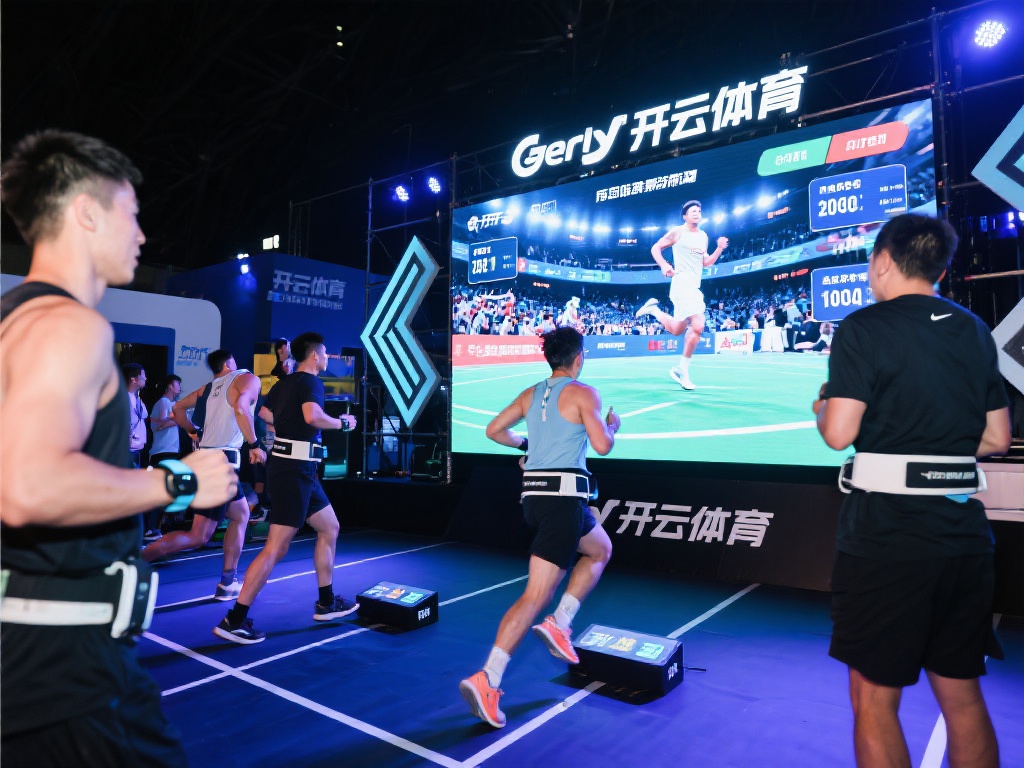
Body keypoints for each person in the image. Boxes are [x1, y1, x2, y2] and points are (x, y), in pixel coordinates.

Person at [0, 129, 237, 766]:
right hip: (63, 663)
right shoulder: (66, 324)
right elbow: (28, 486)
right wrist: (180, 481)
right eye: (131, 215)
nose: (141, 235)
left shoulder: (16, 320)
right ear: (85, 212)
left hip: (48, 652)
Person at [813, 214, 1010, 768]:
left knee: (874, 700)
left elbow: (839, 433)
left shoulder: (863, 327)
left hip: (886, 538)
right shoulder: (973, 329)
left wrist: (822, 407)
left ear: (882, 261)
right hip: (963, 537)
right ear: (940, 268)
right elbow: (997, 437)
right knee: (963, 697)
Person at [459, 327, 619, 729]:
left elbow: (493, 430)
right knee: (536, 595)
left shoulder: (530, 394)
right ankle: (488, 678)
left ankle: (561, 621)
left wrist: (526, 446)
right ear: (578, 358)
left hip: (537, 500)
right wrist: (613, 426)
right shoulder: (585, 393)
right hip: (563, 501)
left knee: (600, 549)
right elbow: (603, 446)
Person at [214, 331, 359, 644]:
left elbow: (265, 413)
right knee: (276, 547)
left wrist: (288, 424)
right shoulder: (311, 382)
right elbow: (313, 416)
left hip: (299, 469)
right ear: (314, 355)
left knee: (329, 527)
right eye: (325, 353)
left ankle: (326, 602)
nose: (327, 357)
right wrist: (343, 423)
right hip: (294, 470)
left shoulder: (285, 384)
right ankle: (234, 620)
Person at [142, 349, 264, 601]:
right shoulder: (246, 378)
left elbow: (177, 408)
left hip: (209, 461)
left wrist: (192, 431)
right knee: (198, 536)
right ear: (229, 363)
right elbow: (241, 408)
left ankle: (228, 582)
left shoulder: (207, 389)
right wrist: (254, 445)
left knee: (241, 514)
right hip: (220, 464)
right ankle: (135, 559)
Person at [635, 200, 728, 390]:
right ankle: (682, 370)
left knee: (678, 329)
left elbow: (706, 262)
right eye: (692, 211)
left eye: (699, 210)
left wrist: (719, 248)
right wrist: (664, 265)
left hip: (694, 286)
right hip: (681, 282)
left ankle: (653, 311)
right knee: (698, 323)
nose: (696, 213)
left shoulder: (703, 236)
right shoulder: (678, 232)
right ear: (684, 216)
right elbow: (655, 248)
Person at [144, 373, 183, 540]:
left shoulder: (173, 405)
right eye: (177, 384)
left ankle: (156, 527)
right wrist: (177, 420)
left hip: (169, 451)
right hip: (162, 452)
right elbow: (157, 425)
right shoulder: (164, 402)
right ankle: (150, 528)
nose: (179, 387)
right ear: (170, 386)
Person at [123, 362, 148, 467]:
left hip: (136, 450)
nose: (145, 378)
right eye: (143, 375)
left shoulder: (137, 398)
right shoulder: (124, 398)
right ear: (133, 379)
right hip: (126, 450)